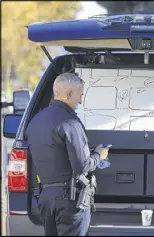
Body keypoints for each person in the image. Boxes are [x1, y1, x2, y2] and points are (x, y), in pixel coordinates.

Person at [26, 73, 110, 236]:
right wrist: (98, 156)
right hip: (69, 201)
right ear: (69, 94)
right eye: (80, 95)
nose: (80, 101)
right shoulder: (70, 123)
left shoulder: (35, 121)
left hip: (45, 199)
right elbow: (82, 166)